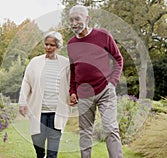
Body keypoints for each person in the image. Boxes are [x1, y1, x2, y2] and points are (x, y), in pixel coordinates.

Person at [67, 5, 124, 158]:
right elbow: (73, 70)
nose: (74, 23)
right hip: (84, 94)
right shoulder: (71, 44)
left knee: (111, 128)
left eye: (77, 19)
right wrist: (72, 91)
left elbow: (118, 58)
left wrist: (113, 81)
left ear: (87, 19)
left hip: (105, 90)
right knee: (85, 132)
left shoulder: (103, 35)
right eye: (71, 20)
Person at [18, 31, 70, 158]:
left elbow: (72, 83)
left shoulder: (66, 63)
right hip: (38, 112)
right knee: (38, 143)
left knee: (53, 149)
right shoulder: (35, 62)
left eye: (52, 45)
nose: (48, 47)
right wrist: (22, 101)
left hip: (57, 112)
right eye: (46, 44)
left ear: (58, 47)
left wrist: (74, 96)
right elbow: (26, 82)